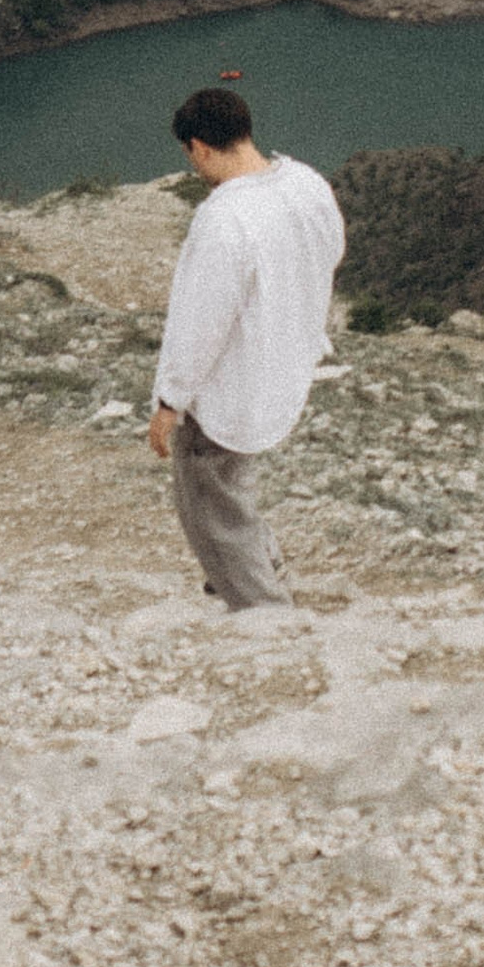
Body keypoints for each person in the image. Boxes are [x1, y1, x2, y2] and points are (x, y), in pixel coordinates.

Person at [148, 81, 344, 611]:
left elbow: (199, 322)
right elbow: (330, 250)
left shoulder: (223, 218)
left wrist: (170, 402)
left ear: (200, 148)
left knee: (209, 508)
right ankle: (265, 560)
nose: (194, 169)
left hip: (230, 388)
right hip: (285, 364)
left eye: (190, 157)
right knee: (234, 486)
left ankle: (265, 613)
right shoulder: (304, 182)